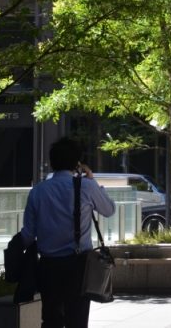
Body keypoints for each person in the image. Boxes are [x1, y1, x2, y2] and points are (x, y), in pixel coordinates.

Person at [20, 137, 115, 328]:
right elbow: (109, 210)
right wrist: (93, 181)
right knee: (77, 319)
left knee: (51, 319)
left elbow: (28, 235)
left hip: (48, 265)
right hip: (79, 265)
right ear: (77, 163)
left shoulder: (38, 191)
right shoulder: (87, 186)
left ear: (52, 163)